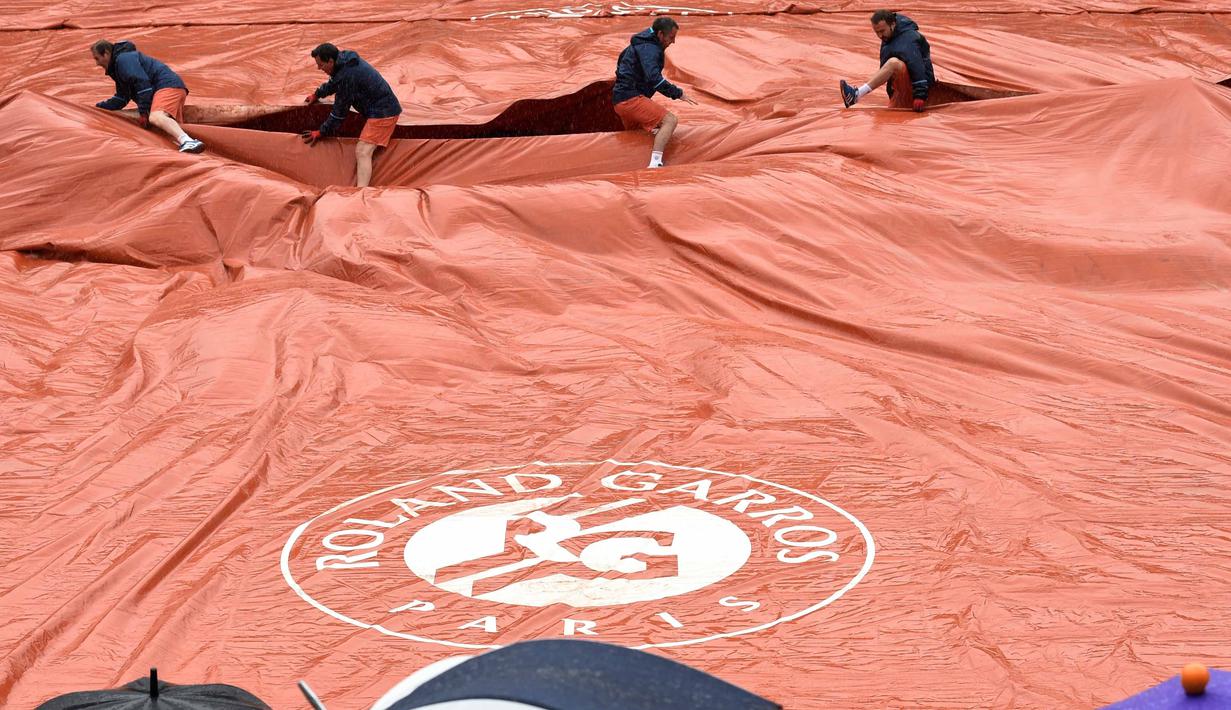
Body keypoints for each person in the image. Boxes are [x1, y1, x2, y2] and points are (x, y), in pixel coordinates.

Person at [300, 43, 403, 188]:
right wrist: (317, 94)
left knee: (362, 151)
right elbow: (333, 83)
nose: (319, 68)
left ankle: (361, 192)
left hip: (383, 112)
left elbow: (339, 113)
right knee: (362, 150)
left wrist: (321, 132)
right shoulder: (343, 61)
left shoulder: (348, 77)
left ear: (330, 61)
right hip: (376, 107)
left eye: (321, 65)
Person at [612, 17, 698, 169]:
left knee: (637, 135)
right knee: (670, 121)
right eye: (671, 38)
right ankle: (655, 163)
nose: (673, 42)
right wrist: (678, 94)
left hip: (620, 100)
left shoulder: (639, 43)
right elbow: (655, 79)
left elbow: (620, 64)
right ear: (660, 35)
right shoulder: (650, 49)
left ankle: (627, 165)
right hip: (630, 99)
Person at [90, 40, 205, 153]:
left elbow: (143, 84)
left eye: (97, 58)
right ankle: (186, 142)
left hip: (167, 86)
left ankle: (188, 141)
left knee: (156, 117)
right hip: (168, 88)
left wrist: (144, 112)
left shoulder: (123, 59)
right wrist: (98, 108)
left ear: (106, 53)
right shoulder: (118, 68)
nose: (97, 63)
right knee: (165, 127)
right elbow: (122, 98)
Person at [839, 10, 935, 112]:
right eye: (877, 32)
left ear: (892, 25)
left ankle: (857, 95)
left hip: (922, 88)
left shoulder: (909, 38)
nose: (880, 36)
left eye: (882, 31)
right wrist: (892, 94)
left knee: (893, 63)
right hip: (905, 86)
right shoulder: (888, 38)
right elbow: (885, 71)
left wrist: (920, 95)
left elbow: (917, 66)